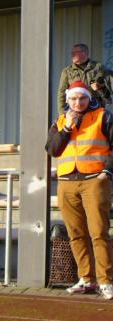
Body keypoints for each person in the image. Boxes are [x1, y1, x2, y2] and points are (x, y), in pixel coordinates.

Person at [46, 80, 113, 299]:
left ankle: (105, 281)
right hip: (66, 181)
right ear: (68, 99)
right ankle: (86, 279)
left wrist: (107, 172)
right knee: (75, 233)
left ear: (89, 98)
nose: (78, 103)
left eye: (82, 98)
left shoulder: (103, 116)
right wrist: (66, 128)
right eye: (73, 99)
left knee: (99, 233)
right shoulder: (60, 120)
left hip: (95, 180)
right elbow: (53, 149)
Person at [57, 43, 112, 110]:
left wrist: (101, 87)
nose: (72, 55)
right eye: (72, 53)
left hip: (96, 108)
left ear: (85, 53)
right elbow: (62, 94)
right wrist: (62, 113)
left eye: (75, 52)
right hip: (77, 109)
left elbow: (110, 85)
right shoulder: (67, 71)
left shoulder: (99, 67)